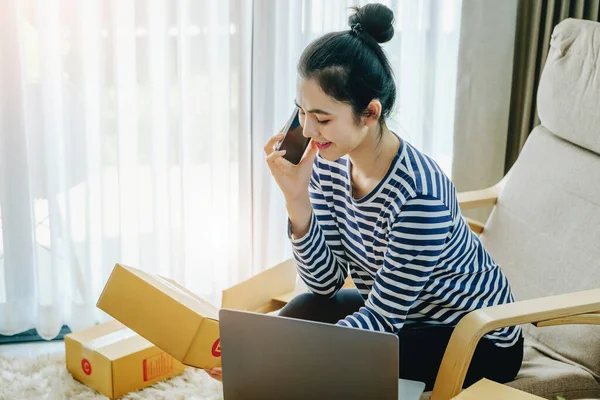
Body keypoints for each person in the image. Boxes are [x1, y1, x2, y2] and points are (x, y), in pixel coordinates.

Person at [207, 3, 523, 390]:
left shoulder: (419, 195)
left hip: (475, 334)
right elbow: (324, 285)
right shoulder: (329, 161)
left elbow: (381, 322)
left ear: (370, 113)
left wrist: (281, 356)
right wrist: (297, 201)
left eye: (322, 118)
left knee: (334, 365)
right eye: (301, 112)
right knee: (305, 308)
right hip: (405, 316)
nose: (307, 131)